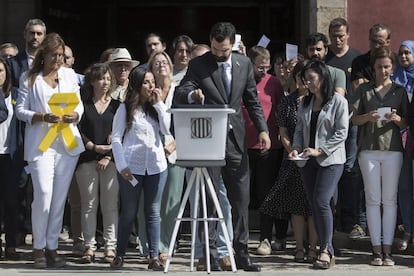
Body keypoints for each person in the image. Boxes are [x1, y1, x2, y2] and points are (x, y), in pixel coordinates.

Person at [173, 22, 270, 272]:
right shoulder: (198, 64)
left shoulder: (244, 63)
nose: (219, 54)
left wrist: (262, 129)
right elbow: (181, 90)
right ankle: (210, 254)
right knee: (210, 198)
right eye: (216, 49)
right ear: (211, 42)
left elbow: (252, 99)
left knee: (241, 199)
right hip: (208, 140)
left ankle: (242, 252)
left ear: (232, 45)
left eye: (224, 50)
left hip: (236, 140)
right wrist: (193, 95)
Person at [15, 32, 84, 268]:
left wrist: (76, 115)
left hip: (66, 143)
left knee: (59, 198)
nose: (58, 59)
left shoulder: (69, 75)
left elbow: (79, 104)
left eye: (61, 55)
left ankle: (52, 247)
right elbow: (20, 111)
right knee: (43, 194)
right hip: (41, 145)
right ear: (44, 54)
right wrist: (42, 116)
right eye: (54, 55)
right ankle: (38, 247)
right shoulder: (28, 78)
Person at [288, 60, 349, 269]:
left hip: (330, 160)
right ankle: (324, 247)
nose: (308, 84)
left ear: (322, 78)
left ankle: (326, 249)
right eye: (305, 80)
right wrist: (295, 148)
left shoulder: (338, 101)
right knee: (315, 204)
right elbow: (298, 130)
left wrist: (320, 150)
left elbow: (341, 133)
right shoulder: (304, 101)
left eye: (311, 79)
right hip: (307, 160)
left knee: (322, 200)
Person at [352, 46, 408, 266]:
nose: (383, 70)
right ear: (373, 68)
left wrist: (396, 119)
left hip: (393, 150)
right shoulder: (364, 90)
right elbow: (354, 119)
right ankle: (376, 250)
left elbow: (406, 122)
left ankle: (388, 250)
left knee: (390, 201)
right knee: (373, 200)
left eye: (386, 67)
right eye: (379, 67)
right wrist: (368, 116)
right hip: (368, 150)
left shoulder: (400, 91)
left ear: (392, 68)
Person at [110, 67, 170, 270]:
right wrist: (121, 164)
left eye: (152, 81)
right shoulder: (125, 108)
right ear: (137, 85)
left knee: (153, 212)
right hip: (131, 166)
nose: (151, 86)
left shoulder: (156, 107)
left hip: (156, 166)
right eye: (146, 82)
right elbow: (116, 137)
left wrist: (159, 103)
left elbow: (166, 129)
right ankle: (119, 254)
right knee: (129, 211)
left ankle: (154, 256)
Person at [261, 61, 317, 263]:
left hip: (315, 157)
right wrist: (291, 149)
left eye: (308, 78)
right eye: (301, 78)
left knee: (312, 206)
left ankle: (313, 248)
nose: (304, 82)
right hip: (293, 158)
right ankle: (300, 248)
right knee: (296, 206)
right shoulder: (288, 102)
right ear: (295, 79)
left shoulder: (317, 101)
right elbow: (282, 131)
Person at [350, 23, 393, 240]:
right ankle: (361, 222)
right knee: (362, 176)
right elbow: (359, 88)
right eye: (372, 40)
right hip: (365, 127)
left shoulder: (393, 61)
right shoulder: (359, 61)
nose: (375, 44)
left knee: (391, 180)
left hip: (391, 131)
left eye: (380, 40)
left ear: (387, 42)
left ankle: (396, 225)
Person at [75, 63, 120, 264]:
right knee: (89, 205)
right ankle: (89, 247)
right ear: (92, 81)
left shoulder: (117, 106)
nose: (105, 82)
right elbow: (76, 131)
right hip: (86, 159)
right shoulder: (82, 105)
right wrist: (93, 147)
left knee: (110, 205)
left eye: (108, 79)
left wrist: (107, 156)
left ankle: (110, 247)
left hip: (111, 161)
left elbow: (121, 134)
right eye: (101, 78)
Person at [243, 46, 286, 256]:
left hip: (269, 149)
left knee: (265, 194)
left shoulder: (274, 83)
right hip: (242, 147)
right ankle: (238, 240)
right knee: (242, 195)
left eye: (266, 67)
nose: (263, 70)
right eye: (260, 66)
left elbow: (280, 111)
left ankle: (265, 239)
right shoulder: (242, 81)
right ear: (250, 63)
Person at [7, 19, 46, 247]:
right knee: (19, 184)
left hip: (45, 133)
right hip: (19, 131)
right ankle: (20, 231)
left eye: (39, 33)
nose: (35, 37)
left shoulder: (50, 65)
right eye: (31, 33)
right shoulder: (13, 65)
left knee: (41, 185)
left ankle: (38, 234)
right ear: (24, 35)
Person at [145, 51, 186, 264]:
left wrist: (175, 143)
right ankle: (151, 247)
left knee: (172, 200)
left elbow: (186, 122)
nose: (161, 65)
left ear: (170, 66)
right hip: (150, 150)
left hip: (174, 149)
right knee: (152, 201)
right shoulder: (147, 91)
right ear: (151, 68)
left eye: (164, 62)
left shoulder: (179, 91)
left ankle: (165, 246)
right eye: (156, 62)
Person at [326, 17, 363, 236]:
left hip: (352, 121)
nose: (337, 40)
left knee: (349, 170)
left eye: (341, 36)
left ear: (348, 34)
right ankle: (330, 218)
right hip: (328, 124)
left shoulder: (357, 58)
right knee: (330, 169)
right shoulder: (325, 59)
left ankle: (350, 221)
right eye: (333, 36)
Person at [393, 40, 414, 251]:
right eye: (401, 53)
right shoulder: (395, 77)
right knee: (404, 186)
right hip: (400, 139)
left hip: (412, 135)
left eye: (408, 53)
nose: (404, 56)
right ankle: (407, 229)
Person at [0, 57, 20, 260]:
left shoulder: (14, 94)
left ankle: (11, 244)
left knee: (11, 202)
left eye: (0, 71)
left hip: (10, 155)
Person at [305, 32, 346, 96]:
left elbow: (339, 100)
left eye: (318, 49)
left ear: (326, 51)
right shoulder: (301, 73)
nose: (315, 53)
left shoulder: (337, 74)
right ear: (307, 51)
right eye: (311, 49)